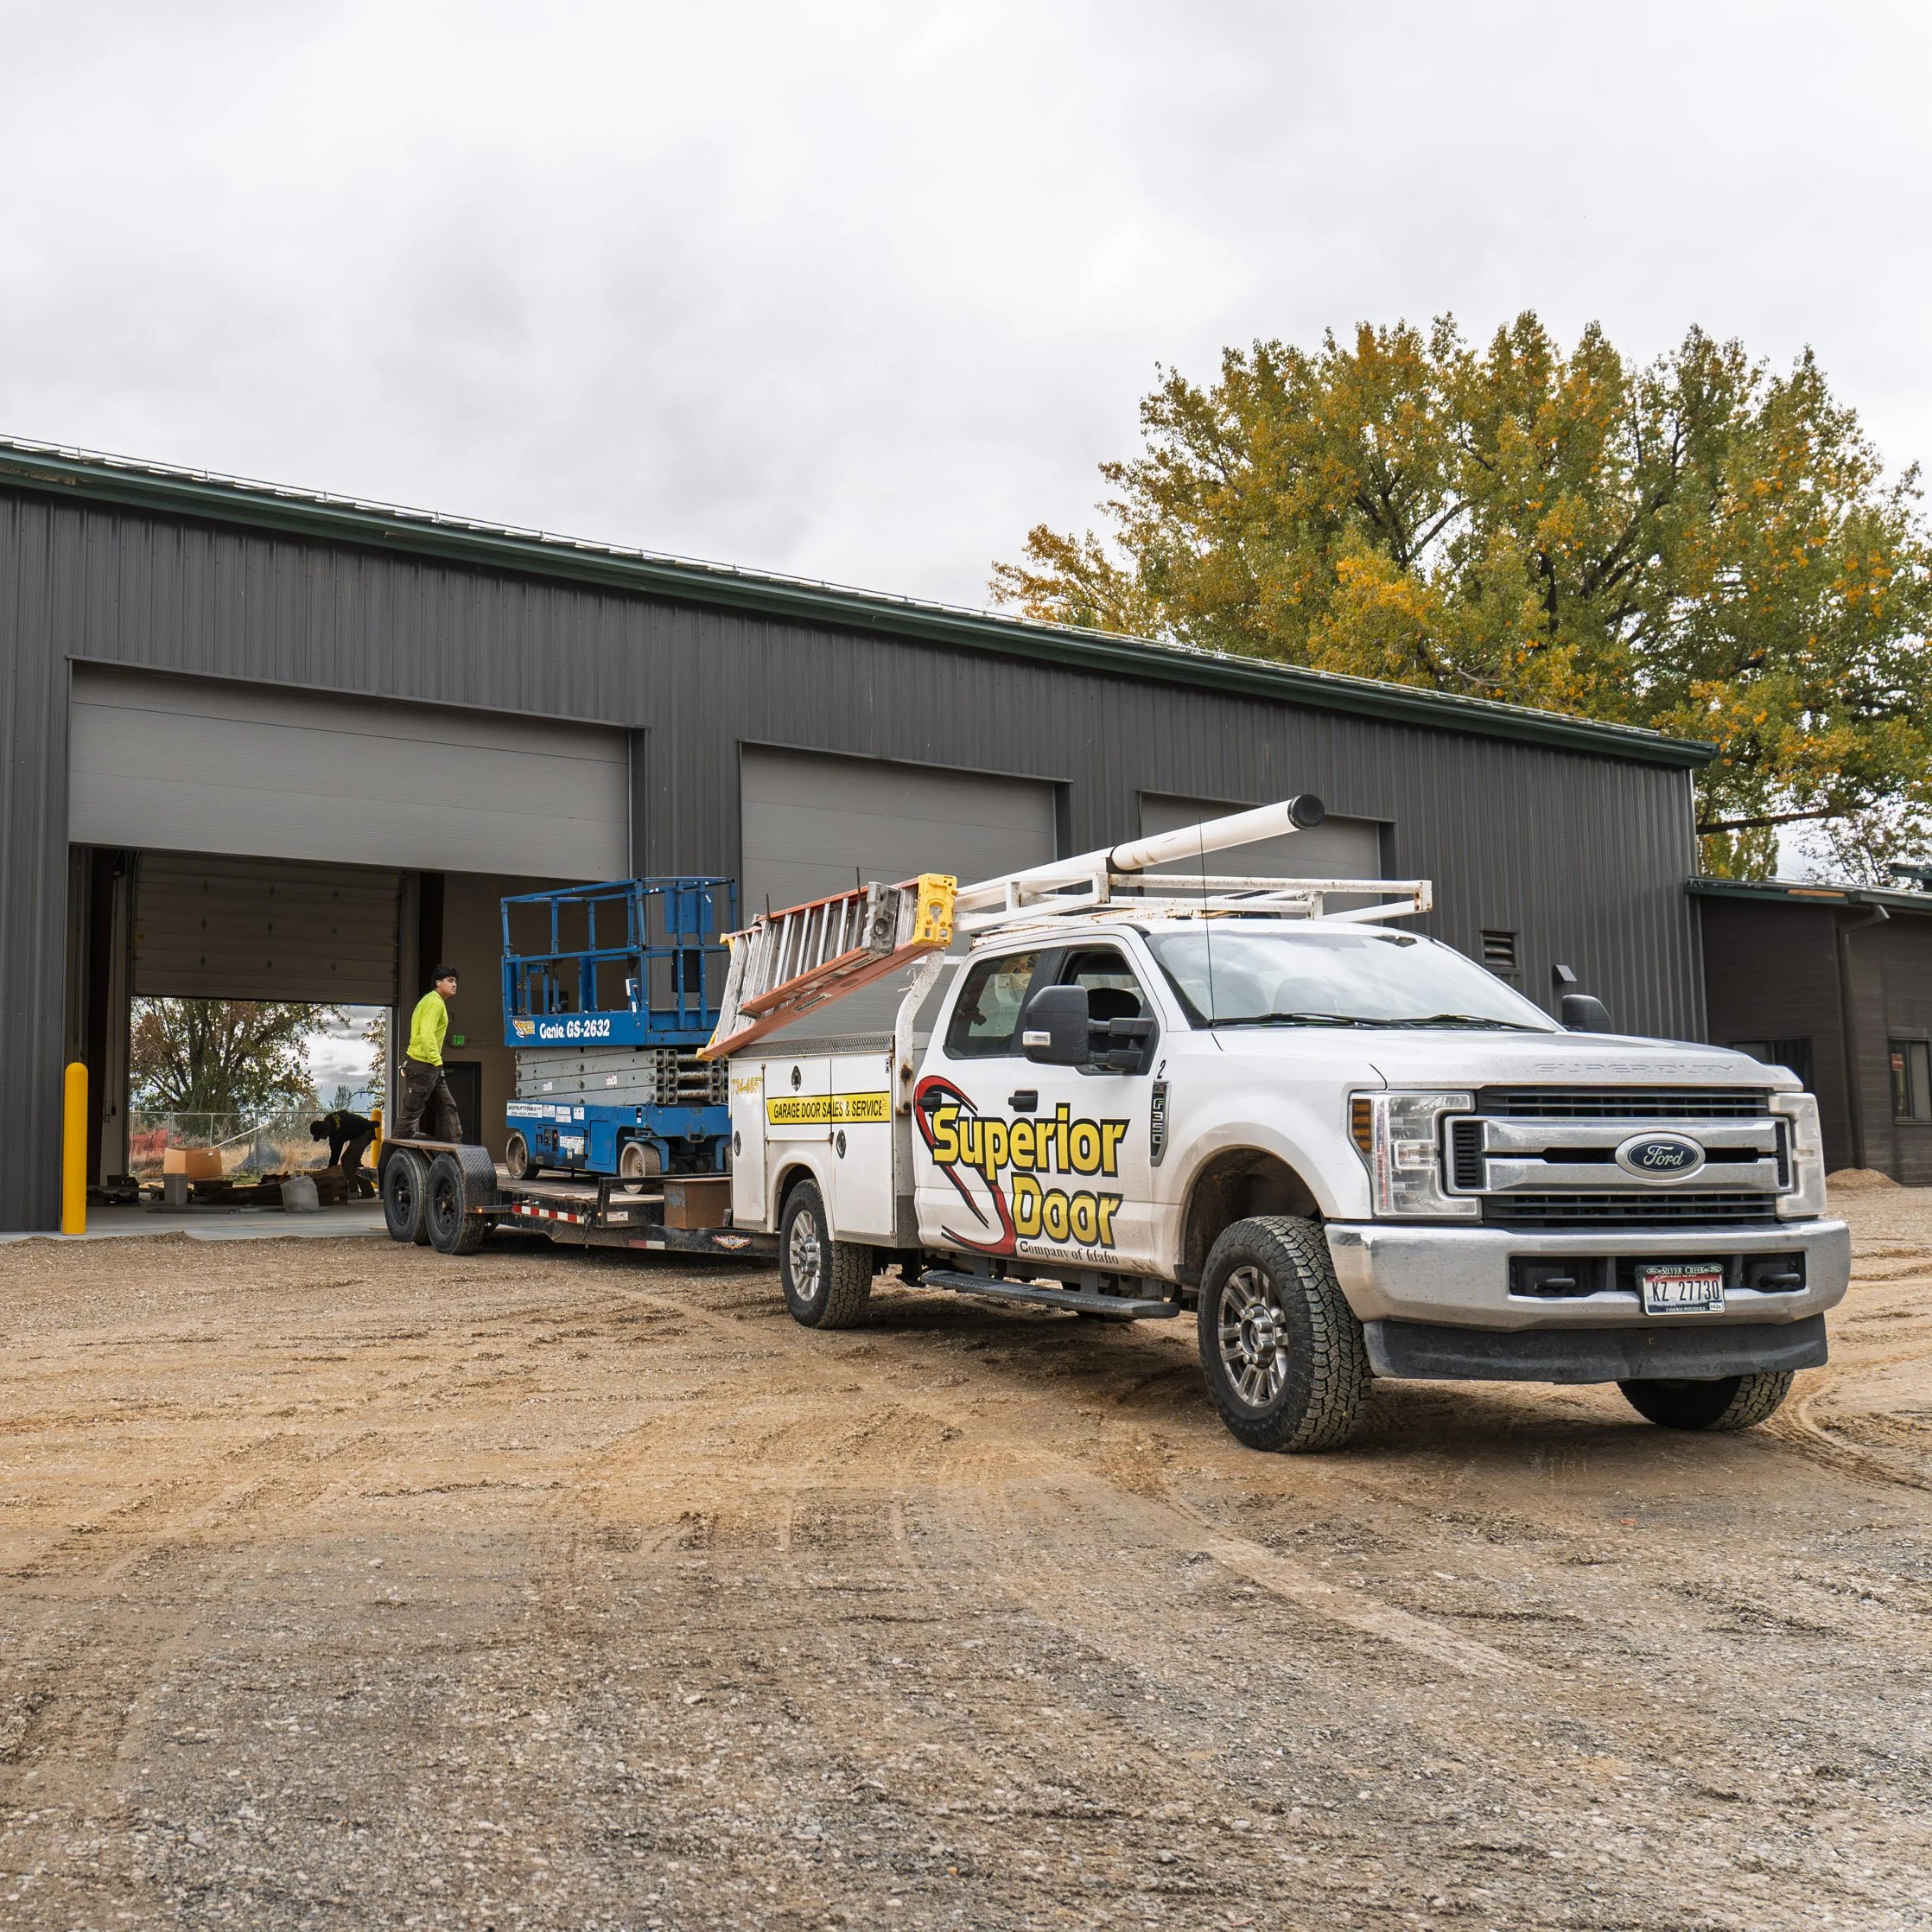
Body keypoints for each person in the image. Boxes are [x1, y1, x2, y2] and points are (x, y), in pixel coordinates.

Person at [397, 966, 464, 1141]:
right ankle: (391, 1158)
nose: (454, 984)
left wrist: (436, 1064)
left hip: (430, 1066)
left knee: (448, 1106)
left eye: (455, 981)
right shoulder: (434, 1002)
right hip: (424, 1064)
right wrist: (437, 1060)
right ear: (438, 983)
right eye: (450, 981)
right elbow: (427, 1034)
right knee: (411, 1115)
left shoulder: (434, 1001)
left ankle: (453, 1148)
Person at [309, 1109, 377, 1198]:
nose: (322, 1138)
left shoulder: (335, 1136)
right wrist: (370, 1123)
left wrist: (328, 1175)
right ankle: (368, 1192)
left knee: (347, 1160)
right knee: (354, 1162)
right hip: (366, 1128)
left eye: (320, 1137)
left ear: (322, 1133)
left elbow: (334, 1159)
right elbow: (345, 1114)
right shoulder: (329, 1118)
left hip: (365, 1132)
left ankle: (353, 1191)